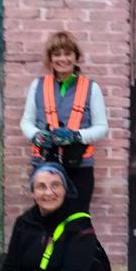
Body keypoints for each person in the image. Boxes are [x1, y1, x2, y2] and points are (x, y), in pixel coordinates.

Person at [20, 30, 108, 211]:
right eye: (57, 54)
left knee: (76, 219)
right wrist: (36, 135)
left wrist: (76, 136)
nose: (62, 59)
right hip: (44, 165)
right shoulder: (37, 85)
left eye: (68, 53)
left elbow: (102, 128)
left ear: (76, 57)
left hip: (79, 167)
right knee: (47, 218)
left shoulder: (92, 88)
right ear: (50, 58)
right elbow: (26, 122)